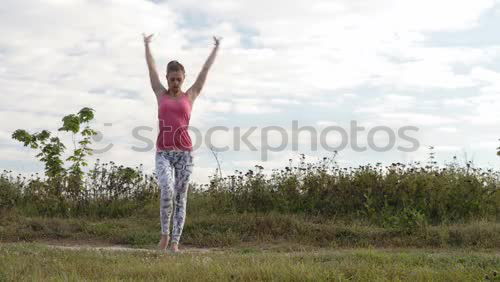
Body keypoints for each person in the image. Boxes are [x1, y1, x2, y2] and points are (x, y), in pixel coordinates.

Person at [143, 32, 221, 253]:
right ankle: (164, 236)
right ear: (166, 78)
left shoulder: (191, 95)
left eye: (179, 79)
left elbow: (205, 72)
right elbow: (151, 69)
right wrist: (147, 45)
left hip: (185, 153)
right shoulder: (160, 94)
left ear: (183, 78)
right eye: (171, 79)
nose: (175, 82)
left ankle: (176, 242)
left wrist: (215, 49)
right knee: (167, 189)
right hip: (164, 153)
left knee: (181, 197)